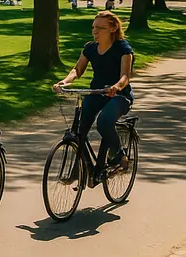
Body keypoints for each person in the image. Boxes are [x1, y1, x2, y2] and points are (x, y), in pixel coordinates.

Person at [53, 10, 134, 177]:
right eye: (93, 27)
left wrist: (117, 87)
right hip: (96, 93)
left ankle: (119, 156)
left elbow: (125, 76)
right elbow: (77, 69)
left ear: (113, 28)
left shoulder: (123, 48)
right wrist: (65, 81)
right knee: (79, 130)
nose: (95, 31)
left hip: (119, 96)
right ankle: (79, 169)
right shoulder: (90, 48)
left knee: (104, 121)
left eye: (101, 28)